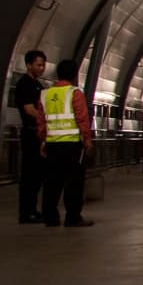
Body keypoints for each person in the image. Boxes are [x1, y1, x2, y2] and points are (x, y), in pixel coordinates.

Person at [38, 59, 93, 228]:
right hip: (72, 144)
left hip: (53, 144)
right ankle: (73, 217)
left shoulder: (45, 94)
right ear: (75, 75)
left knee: (52, 181)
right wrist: (87, 140)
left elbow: (41, 121)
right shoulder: (74, 93)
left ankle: (50, 217)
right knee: (74, 182)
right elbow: (82, 118)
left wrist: (43, 141)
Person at [12, 49, 47, 224]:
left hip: (38, 133)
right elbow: (29, 109)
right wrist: (46, 117)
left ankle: (32, 209)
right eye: (38, 64)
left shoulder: (38, 85)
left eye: (43, 65)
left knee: (37, 175)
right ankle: (26, 212)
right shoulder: (24, 84)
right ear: (28, 65)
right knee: (29, 174)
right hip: (30, 132)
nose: (42, 68)